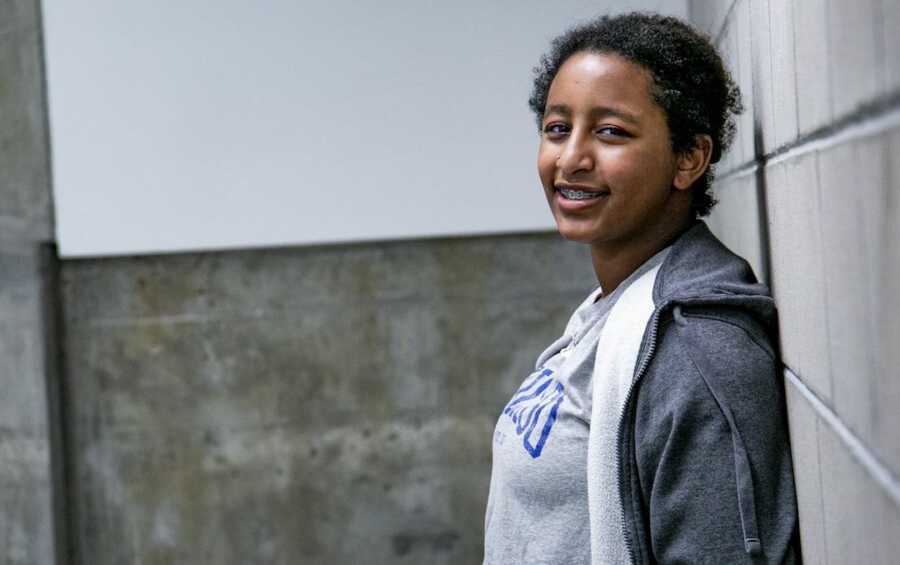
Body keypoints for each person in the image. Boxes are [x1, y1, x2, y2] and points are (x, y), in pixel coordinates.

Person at [483, 12, 800, 565]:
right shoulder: (611, 310)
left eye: (610, 132)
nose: (571, 159)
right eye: (558, 128)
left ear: (689, 159)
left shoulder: (697, 352)